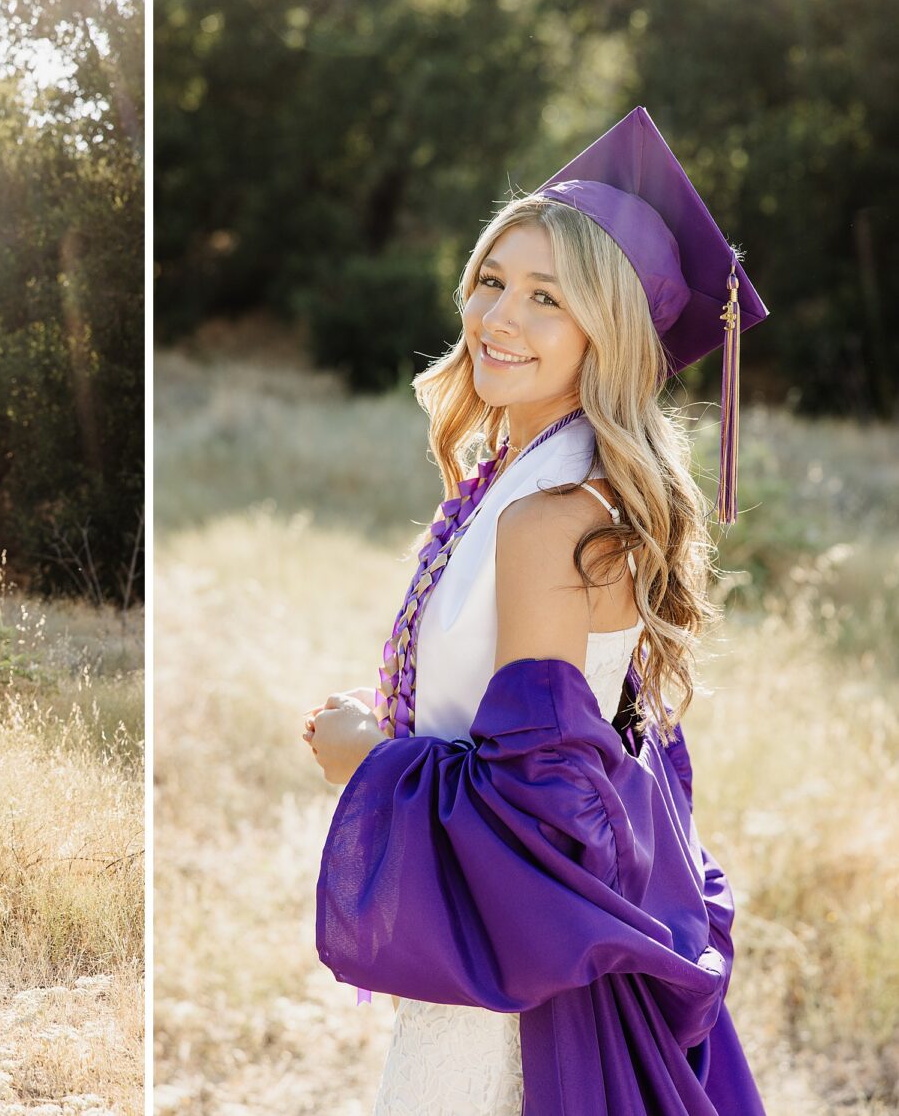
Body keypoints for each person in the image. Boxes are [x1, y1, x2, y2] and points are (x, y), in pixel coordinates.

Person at [302, 108, 768, 1114]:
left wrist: (365, 760)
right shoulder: (542, 481)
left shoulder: (550, 518)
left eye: (547, 297)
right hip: (506, 934)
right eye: (492, 280)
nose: (496, 319)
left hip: (515, 991)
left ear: (611, 332)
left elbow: (545, 814)